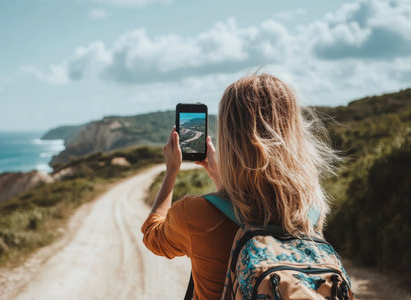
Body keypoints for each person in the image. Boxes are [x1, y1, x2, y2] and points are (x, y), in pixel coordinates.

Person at [141, 73, 338, 299]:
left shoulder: (196, 214)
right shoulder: (309, 210)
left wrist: (171, 172)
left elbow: (152, 235)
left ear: (229, 137)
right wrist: (220, 178)